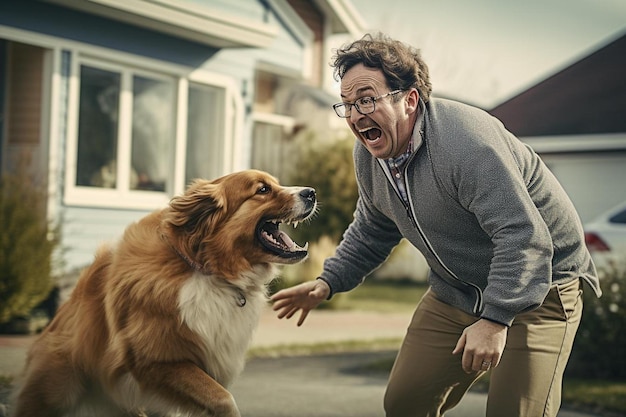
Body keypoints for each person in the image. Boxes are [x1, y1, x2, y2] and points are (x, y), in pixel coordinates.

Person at [271, 32, 602, 417]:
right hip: (457, 291)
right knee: (406, 402)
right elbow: (374, 228)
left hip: (541, 287)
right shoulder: (369, 156)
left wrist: (495, 320)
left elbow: (522, 235)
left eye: (366, 99)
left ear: (409, 99)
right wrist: (328, 282)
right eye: (347, 105)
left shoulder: (467, 144)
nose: (356, 114)